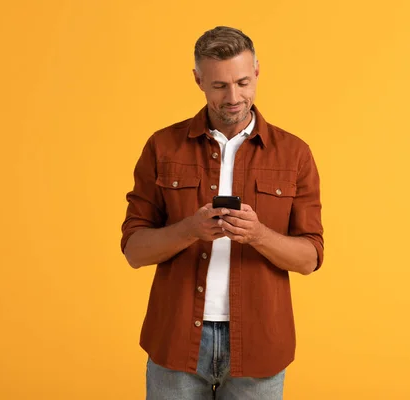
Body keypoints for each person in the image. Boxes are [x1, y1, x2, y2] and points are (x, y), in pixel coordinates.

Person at [120, 26, 324, 400]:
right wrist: (191, 229)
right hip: (175, 339)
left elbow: (309, 258)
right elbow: (134, 250)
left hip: (261, 343)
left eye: (243, 82)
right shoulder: (162, 146)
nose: (233, 97)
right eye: (219, 86)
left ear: (258, 71)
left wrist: (258, 235)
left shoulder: (295, 154)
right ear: (198, 80)